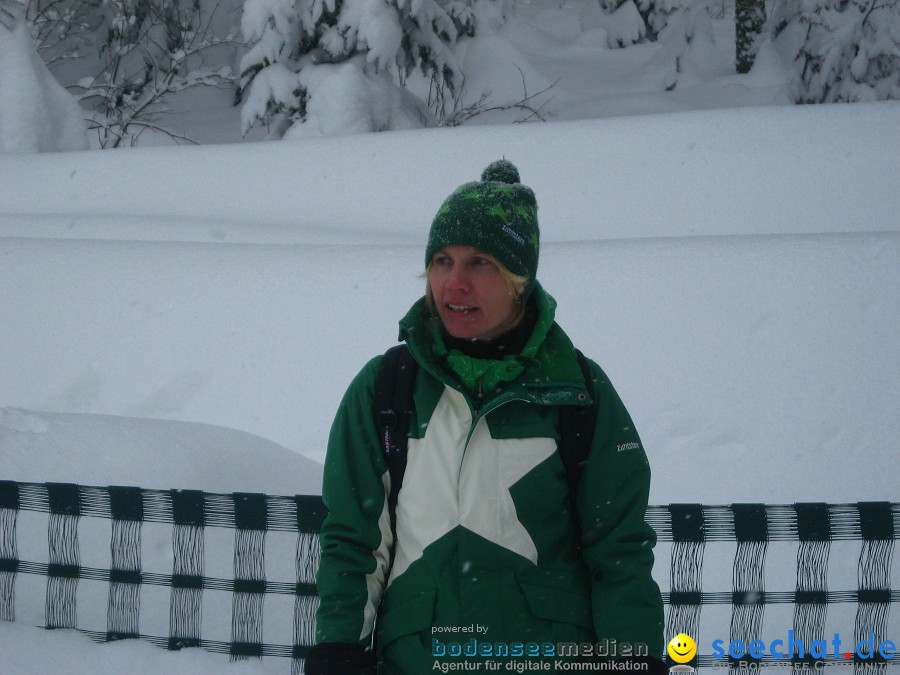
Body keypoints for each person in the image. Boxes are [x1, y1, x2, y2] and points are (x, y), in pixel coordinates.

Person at [307, 160, 665, 675]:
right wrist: (338, 648)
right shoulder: (386, 389)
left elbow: (619, 551)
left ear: (520, 279)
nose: (454, 285)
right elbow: (353, 539)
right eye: (441, 261)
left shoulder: (577, 393)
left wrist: (633, 657)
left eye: (480, 262)